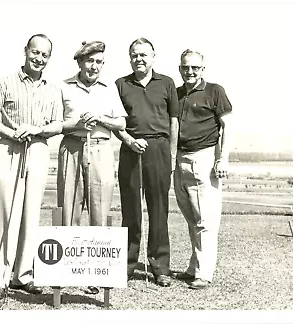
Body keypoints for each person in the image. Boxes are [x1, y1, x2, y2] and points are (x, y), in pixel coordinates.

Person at [0, 34, 63, 301]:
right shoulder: (4, 83)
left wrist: (38, 129)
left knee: (31, 214)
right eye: (35, 53)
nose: (39, 59)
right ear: (25, 51)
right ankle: (0, 278)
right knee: (7, 213)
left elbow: (58, 125)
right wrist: (11, 132)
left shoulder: (52, 88)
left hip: (39, 148)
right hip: (9, 148)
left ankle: (23, 275)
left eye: (45, 55)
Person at [57, 41, 127, 294]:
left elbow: (120, 122)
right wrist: (77, 122)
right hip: (72, 147)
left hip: (101, 149)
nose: (94, 66)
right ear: (80, 62)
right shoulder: (63, 86)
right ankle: (65, 270)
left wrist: (101, 119)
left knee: (100, 210)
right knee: (69, 208)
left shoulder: (109, 90)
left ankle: (96, 273)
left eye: (99, 62)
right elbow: (54, 123)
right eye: (90, 61)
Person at [114, 38, 179, 287]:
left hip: (159, 149)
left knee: (159, 209)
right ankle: (127, 265)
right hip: (130, 148)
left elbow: (174, 121)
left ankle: (160, 267)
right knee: (130, 210)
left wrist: (171, 155)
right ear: (129, 58)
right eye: (134, 55)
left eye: (143, 54)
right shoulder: (121, 84)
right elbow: (116, 122)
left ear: (153, 57)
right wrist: (130, 141)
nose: (139, 59)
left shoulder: (167, 83)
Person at [172, 49, 233, 289]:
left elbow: (227, 126)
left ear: (202, 69)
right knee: (191, 216)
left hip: (205, 158)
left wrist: (223, 159)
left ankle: (204, 273)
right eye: (186, 67)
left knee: (206, 219)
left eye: (195, 68)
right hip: (180, 159)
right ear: (180, 68)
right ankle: (193, 267)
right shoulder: (175, 93)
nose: (190, 72)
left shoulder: (214, 91)